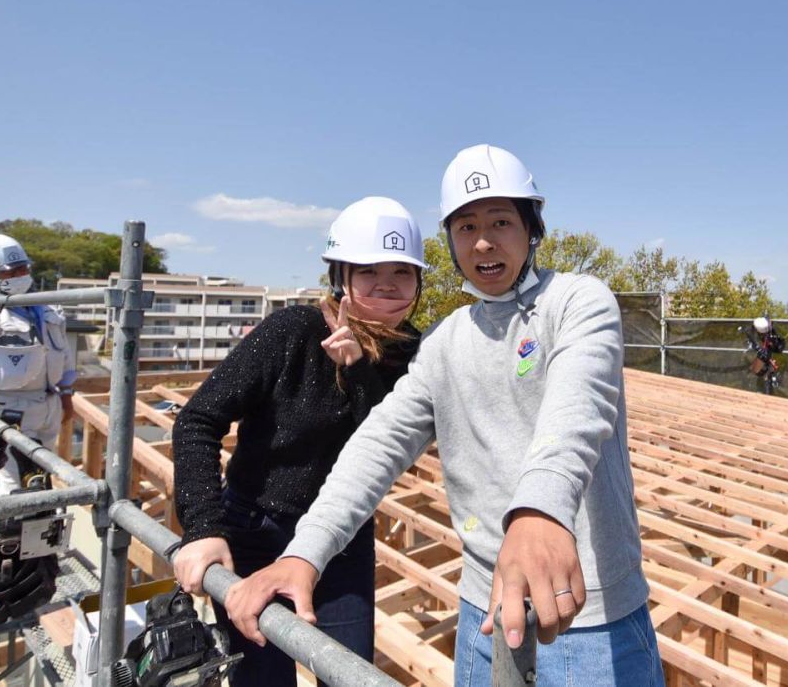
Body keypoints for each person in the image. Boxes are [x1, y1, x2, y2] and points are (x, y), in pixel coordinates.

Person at [225, 145, 663, 686]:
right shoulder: (443, 343)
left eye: (501, 221)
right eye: (465, 226)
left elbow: (578, 410)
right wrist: (304, 554)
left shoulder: (578, 303)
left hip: (589, 619)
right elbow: (377, 447)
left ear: (532, 229)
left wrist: (539, 513)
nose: (483, 240)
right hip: (482, 618)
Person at [171, 196, 427, 687]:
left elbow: (397, 443)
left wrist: (359, 370)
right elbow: (198, 419)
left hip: (343, 537)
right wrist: (203, 527)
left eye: (402, 270)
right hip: (256, 531)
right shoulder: (295, 332)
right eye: (370, 269)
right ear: (340, 276)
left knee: (348, 674)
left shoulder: (412, 354)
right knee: (263, 678)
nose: (388, 282)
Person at [0, 233, 76, 498]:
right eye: (12, 271)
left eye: (24, 268)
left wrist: (67, 395)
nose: (21, 274)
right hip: (10, 406)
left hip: (49, 403)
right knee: (10, 481)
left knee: (42, 476)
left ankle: (40, 534)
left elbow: (65, 354)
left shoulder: (46, 305)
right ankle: (4, 538)